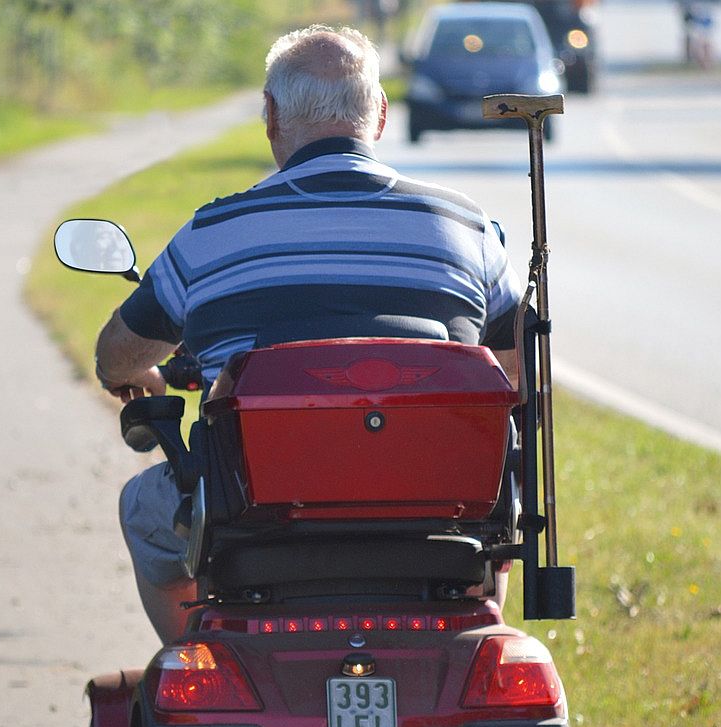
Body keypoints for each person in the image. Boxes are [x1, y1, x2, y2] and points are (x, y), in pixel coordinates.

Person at [94, 24, 524, 644]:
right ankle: (475, 641)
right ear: (379, 114)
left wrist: (129, 373)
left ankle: (204, 663)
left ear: (270, 116)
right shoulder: (468, 227)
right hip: (439, 523)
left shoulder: (213, 233)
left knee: (143, 508)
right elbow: (514, 372)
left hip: (254, 521)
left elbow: (118, 350)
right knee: (497, 487)